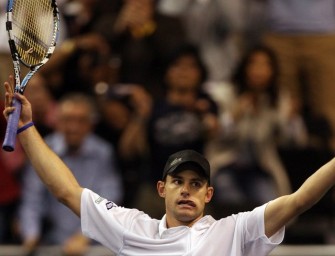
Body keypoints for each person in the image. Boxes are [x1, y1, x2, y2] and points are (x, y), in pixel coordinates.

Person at [3, 74, 335, 255]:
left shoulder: (235, 231)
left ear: (208, 195)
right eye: (178, 181)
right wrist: (26, 129)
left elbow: (301, 198)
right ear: (162, 189)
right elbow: (65, 191)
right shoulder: (132, 229)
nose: (186, 190)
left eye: (196, 184)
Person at [17, 92, 123, 255]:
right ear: (58, 122)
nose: (73, 127)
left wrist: (84, 236)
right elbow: (32, 198)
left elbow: (110, 198)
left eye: (80, 120)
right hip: (50, 243)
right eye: (68, 120)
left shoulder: (103, 152)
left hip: (93, 244)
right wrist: (31, 234)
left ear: (90, 124)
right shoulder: (44, 149)